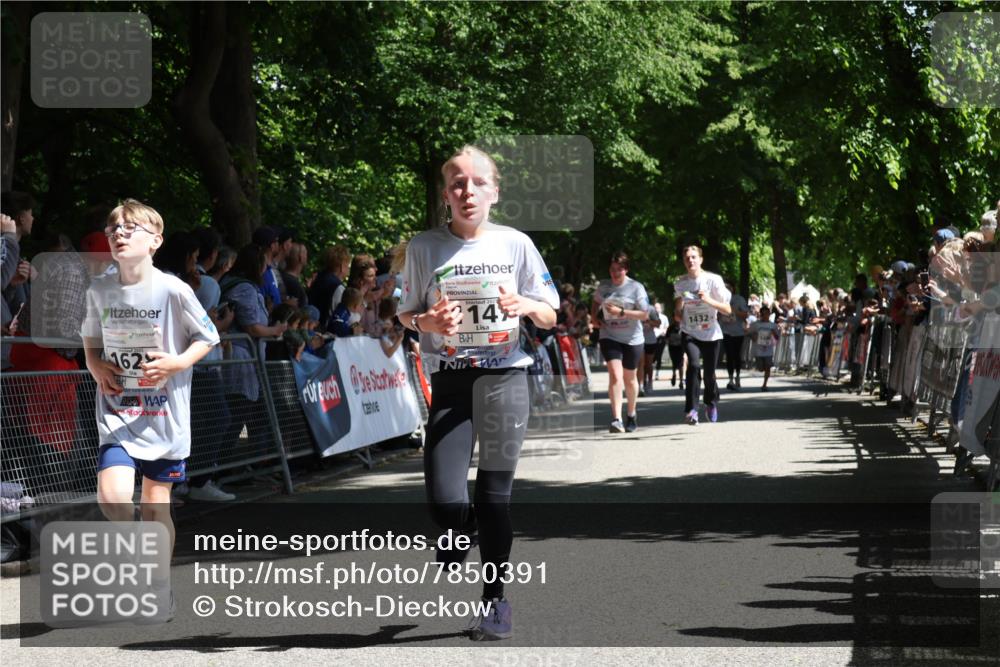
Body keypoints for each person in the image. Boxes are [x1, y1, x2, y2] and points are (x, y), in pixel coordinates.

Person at [397, 145, 558, 641]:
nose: (467, 191)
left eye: (477, 183)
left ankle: (494, 604)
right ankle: (456, 531)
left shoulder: (516, 244)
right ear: (446, 194)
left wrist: (526, 303)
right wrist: (425, 320)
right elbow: (405, 314)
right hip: (450, 379)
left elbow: (551, 315)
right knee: (444, 501)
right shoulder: (424, 247)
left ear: (494, 191)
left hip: (504, 378)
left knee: (493, 499)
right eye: (457, 184)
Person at [81, 199, 220, 620]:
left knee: (156, 503)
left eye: (131, 227)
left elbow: (208, 337)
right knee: (112, 497)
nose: (120, 232)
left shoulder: (173, 289)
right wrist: (94, 363)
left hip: (164, 416)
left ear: (155, 241)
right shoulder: (99, 288)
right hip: (118, 410)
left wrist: (176, 363)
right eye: (114, 228)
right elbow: (89, 336)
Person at [591, 251, 650, 433]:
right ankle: (616, 419)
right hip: (609, 335)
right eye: (612, 269)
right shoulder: (603, 286)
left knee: (630, 379)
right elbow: (595, 303)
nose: (615, 273)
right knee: (615, 375)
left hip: (632, 338)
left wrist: (621, 312)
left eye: (619, 270)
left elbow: (645, 313)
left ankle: (631, 413)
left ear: (626, 270)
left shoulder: (636, 288)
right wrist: (594, 317)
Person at [673, 245, 731, 425]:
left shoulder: (713, 280)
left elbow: (727, 310)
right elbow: (676, 312)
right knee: (693, 365)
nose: (690, 260)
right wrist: (679, 309)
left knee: (709, 375)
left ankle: (711, 401)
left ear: (700, 259)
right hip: (690, 332)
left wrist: (708, 300)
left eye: (693, 257)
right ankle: (691, 409)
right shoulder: (680, 283)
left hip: (711, 334)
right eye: (687, 258)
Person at [720, 281, 749, 391]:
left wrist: (733, 310)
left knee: (736, 355)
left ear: (733, 288)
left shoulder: (739, 299)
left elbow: (745, 314)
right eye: (724, 287)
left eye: (728, 287)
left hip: (738, 332)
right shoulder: (719, 299)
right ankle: (730, 378)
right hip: (725, 331)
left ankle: (737, 376)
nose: (726, 289)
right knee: (729, 355)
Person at [748, 304, 779, 391]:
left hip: (768, 350)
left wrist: (774, 333)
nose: (766, 316)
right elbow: (749, 333)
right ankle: (762, 370)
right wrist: (753, 336)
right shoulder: (755, 325)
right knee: (761, 368)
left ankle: (764, 384)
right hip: (758, 350)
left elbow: (777, 337)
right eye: (764, 314)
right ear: (761, 315)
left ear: (769, 314)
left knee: (768, 366)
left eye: (767, 314)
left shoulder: (773, 325)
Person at [640, 302, 662, 396]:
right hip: (637, 340)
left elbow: (658, 323)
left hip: (650, 340)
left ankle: (649, 382)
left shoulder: (651, 309)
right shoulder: (632, 307)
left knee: (648, 364)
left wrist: (648, 321)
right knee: (641, 363)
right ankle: (641, 384)